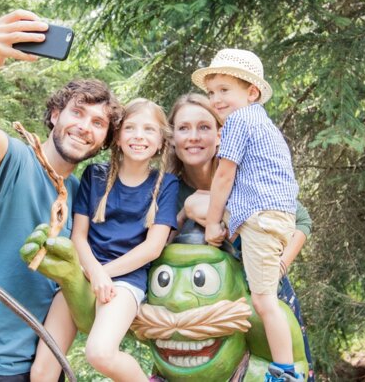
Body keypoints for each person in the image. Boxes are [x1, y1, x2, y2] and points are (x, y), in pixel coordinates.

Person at [0, 10, 124, 382]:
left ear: (104, 142)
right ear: (54, 115)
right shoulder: (16, 160)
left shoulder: (83, 197)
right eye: (77, 113)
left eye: (98, 124)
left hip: (46, 361)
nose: (85, 127)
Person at [168, 93, 315, 382]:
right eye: (184, 128)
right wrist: (186, 211)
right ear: (172, 137)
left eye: (204, 127)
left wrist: (281, 266)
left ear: (222, 134)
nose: (194, 137)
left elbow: (302, 220)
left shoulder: (247, 175)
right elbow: (161, 246)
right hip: (204, 316)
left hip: (263, 292)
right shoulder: (168, 188)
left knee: (286, 369)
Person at [31, 99, 180, 382]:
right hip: (84, 271)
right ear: (118, 137)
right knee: (41, 372)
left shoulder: (165, 184)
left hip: (125, 282)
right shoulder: (95, 176)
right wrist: (94, 272)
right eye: (131, 128)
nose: (139, 136)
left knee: (100, 353)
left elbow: (152, 247)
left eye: (149, 130)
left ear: (161, 141)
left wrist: (105, 274)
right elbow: (79, 236)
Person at [194, 49, 303, 381]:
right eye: (211, 92)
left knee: (264, 302)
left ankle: (284, 372)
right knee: (264, 297)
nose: (216, 99)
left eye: (225, 90)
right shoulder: (262, 124)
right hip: (274, 217)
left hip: (261, 218)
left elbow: (224, 176)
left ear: (251, 92)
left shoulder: (240, 121)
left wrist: (213, 223)